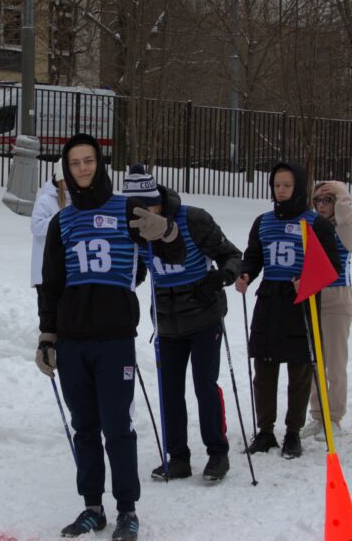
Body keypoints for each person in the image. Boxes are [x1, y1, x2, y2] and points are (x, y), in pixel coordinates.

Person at [35, 134, 184, 541]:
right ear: (67, 171)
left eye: (89, 161)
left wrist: (165, 230)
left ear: (100, 164)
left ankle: (127, 510)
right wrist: (47, 336)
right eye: (75, 163)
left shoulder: (126, 208)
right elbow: (50, 285)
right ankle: (92, 508)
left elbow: (175, 254)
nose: (83, 168)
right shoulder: (61, 221)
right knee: (84, 425)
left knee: (117, 426)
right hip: (72, 340)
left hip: (115, 338)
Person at [121, 165, 242, 482]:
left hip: (204, 317)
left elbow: (232, 255)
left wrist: (220, 278)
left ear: (160, 197)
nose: (148, 212)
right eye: (139, 206)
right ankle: (178, 458)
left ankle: (218, 453)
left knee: (204, 386)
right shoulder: (133, 228)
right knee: (170, 391)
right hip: (166, 323)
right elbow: (135, 273)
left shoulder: (192, 219)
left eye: (151, 204)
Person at [235, 161, 340, 460]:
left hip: (300, 302)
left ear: (299, 188)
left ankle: (292, 433)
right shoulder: (263, 222)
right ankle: (265, 431)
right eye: (277, 185)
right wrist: (245, 274)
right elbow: (253, 256)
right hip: (269, 299)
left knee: (299, 370)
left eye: (287, 185)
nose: (280, 191)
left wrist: (306, 280)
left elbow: (332, 265)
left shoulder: (314, 223)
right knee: (264, 370)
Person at [303, 180, 352, 441]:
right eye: (318, 201)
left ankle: (333, 418)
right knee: (315, 360)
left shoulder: (347, 228)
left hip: (337, 297)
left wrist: (337, 190)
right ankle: (317, 415)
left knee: (335, 363)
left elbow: (346, 214)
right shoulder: (312, 226)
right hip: (313, 295)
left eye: (328, 200)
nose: (322, 205)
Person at [30, 158, 68, 296]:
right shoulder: (46, 199)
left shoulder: (75, 200)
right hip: (45, 273)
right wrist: (60, 220)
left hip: (65, 273)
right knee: (49, 315)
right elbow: (35, 226)